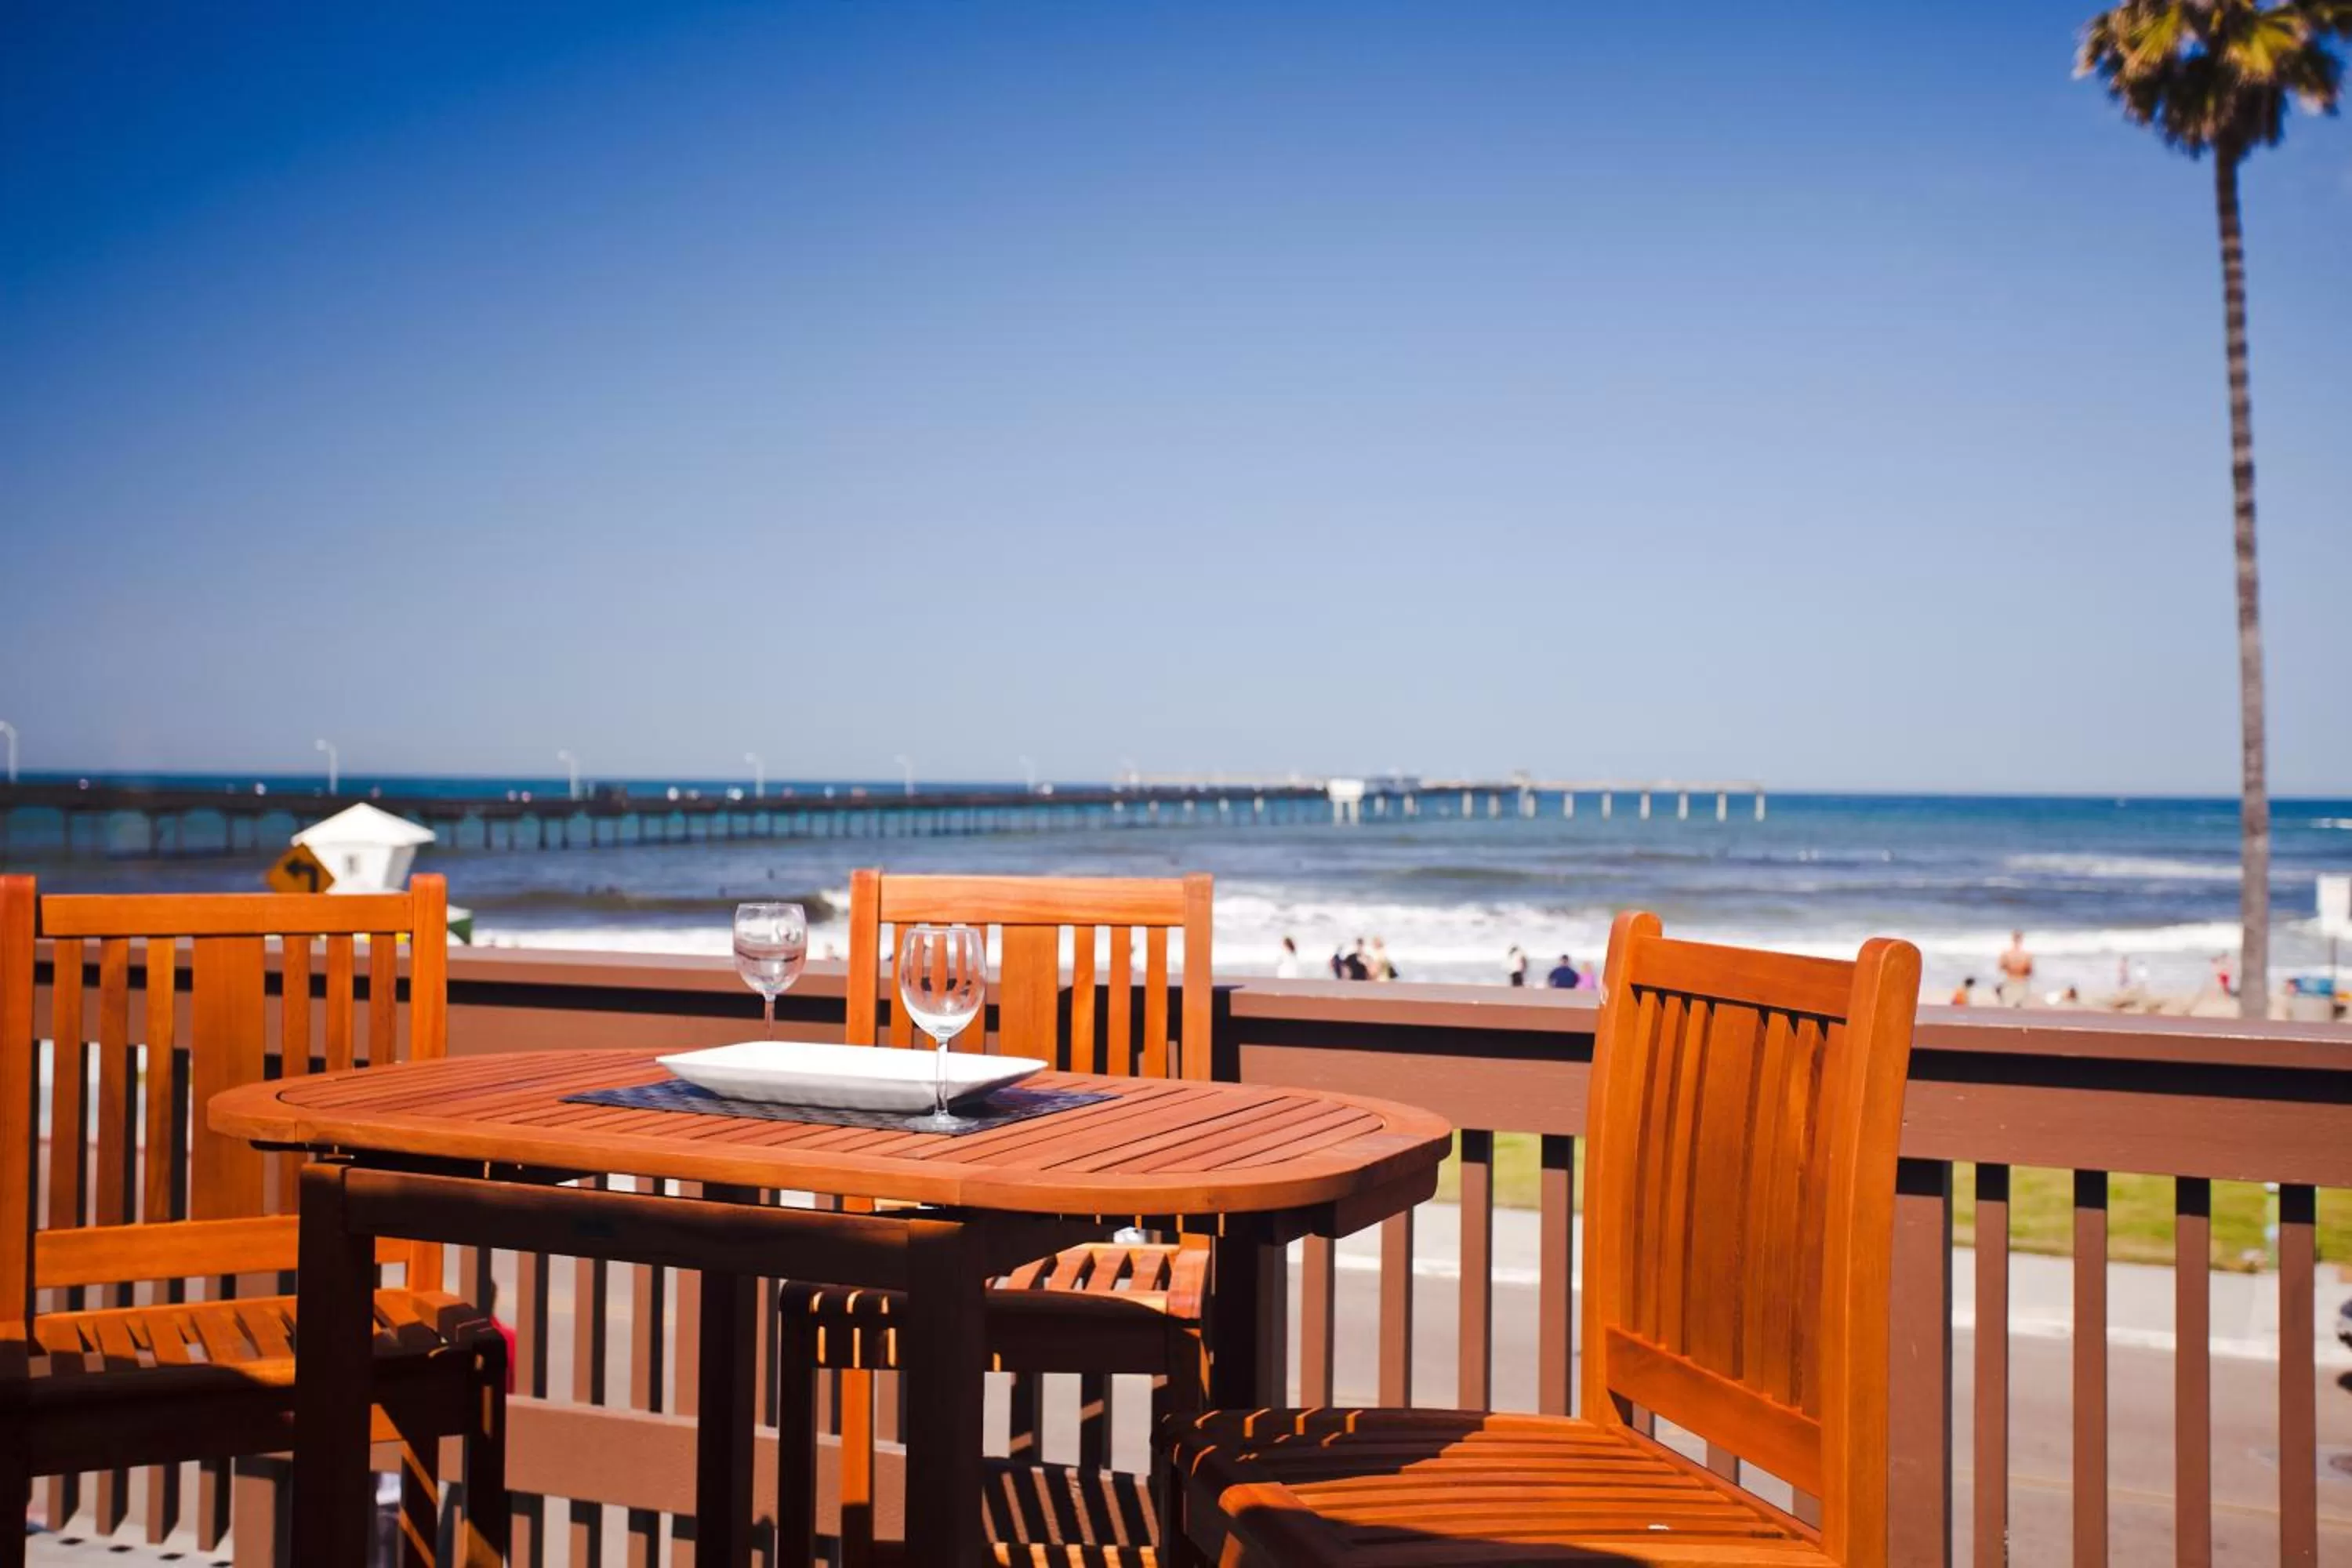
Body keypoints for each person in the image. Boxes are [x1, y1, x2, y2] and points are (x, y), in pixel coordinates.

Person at [1997, 931, 2034, 1007]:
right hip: (2022, 982)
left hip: (2010, 981)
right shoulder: (2027, 955)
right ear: (2021, 939)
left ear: (2012, 939)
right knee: (2021, 1010)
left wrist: (2011, 967)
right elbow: (2029, 971)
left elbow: (2001, 967)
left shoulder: (2006, 954)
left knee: (2008, 1009)